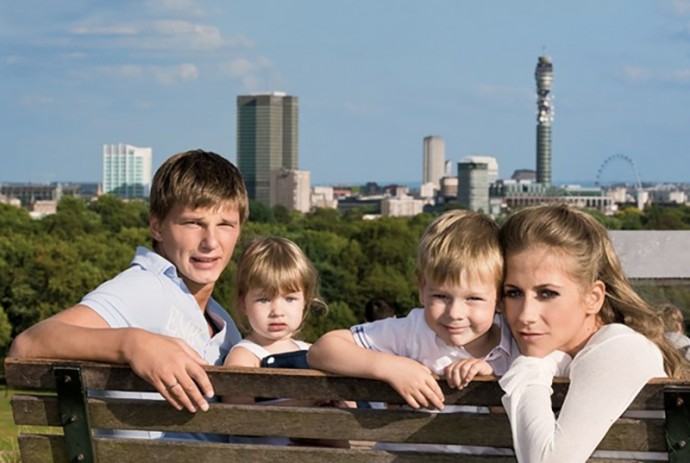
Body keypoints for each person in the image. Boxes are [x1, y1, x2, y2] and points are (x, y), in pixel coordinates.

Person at [8, 150, 248, 439]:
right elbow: (27, 345)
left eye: (225, 225)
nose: (210, 241)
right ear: (157, 226)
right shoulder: (146, 287)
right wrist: (132, 343)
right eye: (193, 223)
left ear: (239, 230)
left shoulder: (222, 321)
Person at [498, 204, 690, 463]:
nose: (525, 315)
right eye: (513, 293)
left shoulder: (620, 349)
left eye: (547, 294)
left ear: (593, 297)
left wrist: (533, 363)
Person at [308, 209, 519, 411]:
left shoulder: (517, 343)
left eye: (473, 298)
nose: (455, 313)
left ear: (499, 299)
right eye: (441, 296)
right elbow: (323, 349)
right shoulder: (413, 331)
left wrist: (493, 380)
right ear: (421, 290)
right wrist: (390, 367)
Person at [224, 236, 348, 448]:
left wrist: (339, 403)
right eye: (264, 299)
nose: (277, 312)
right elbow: (240, 421)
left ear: (305, 301)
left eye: (290, 299)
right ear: (243, 303)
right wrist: (305, 404)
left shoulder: (313, 351)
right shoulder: (245, 356)